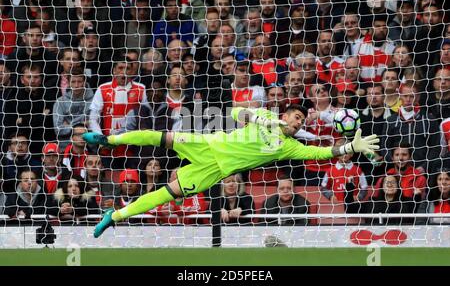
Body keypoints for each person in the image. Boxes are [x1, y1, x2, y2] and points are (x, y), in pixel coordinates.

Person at [83, 104, 379, 237]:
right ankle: (108, 139)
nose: (297, 123)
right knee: (162, 137)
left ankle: (116, 216)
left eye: (301, 122)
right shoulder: (265, 115)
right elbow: (237, 111)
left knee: (165, 194)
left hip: (215, 170)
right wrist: (261, 120)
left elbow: (322, 152)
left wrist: (350, 148)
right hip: (207, 144)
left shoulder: (288, 147)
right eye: (295, 117)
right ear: (285, 114)